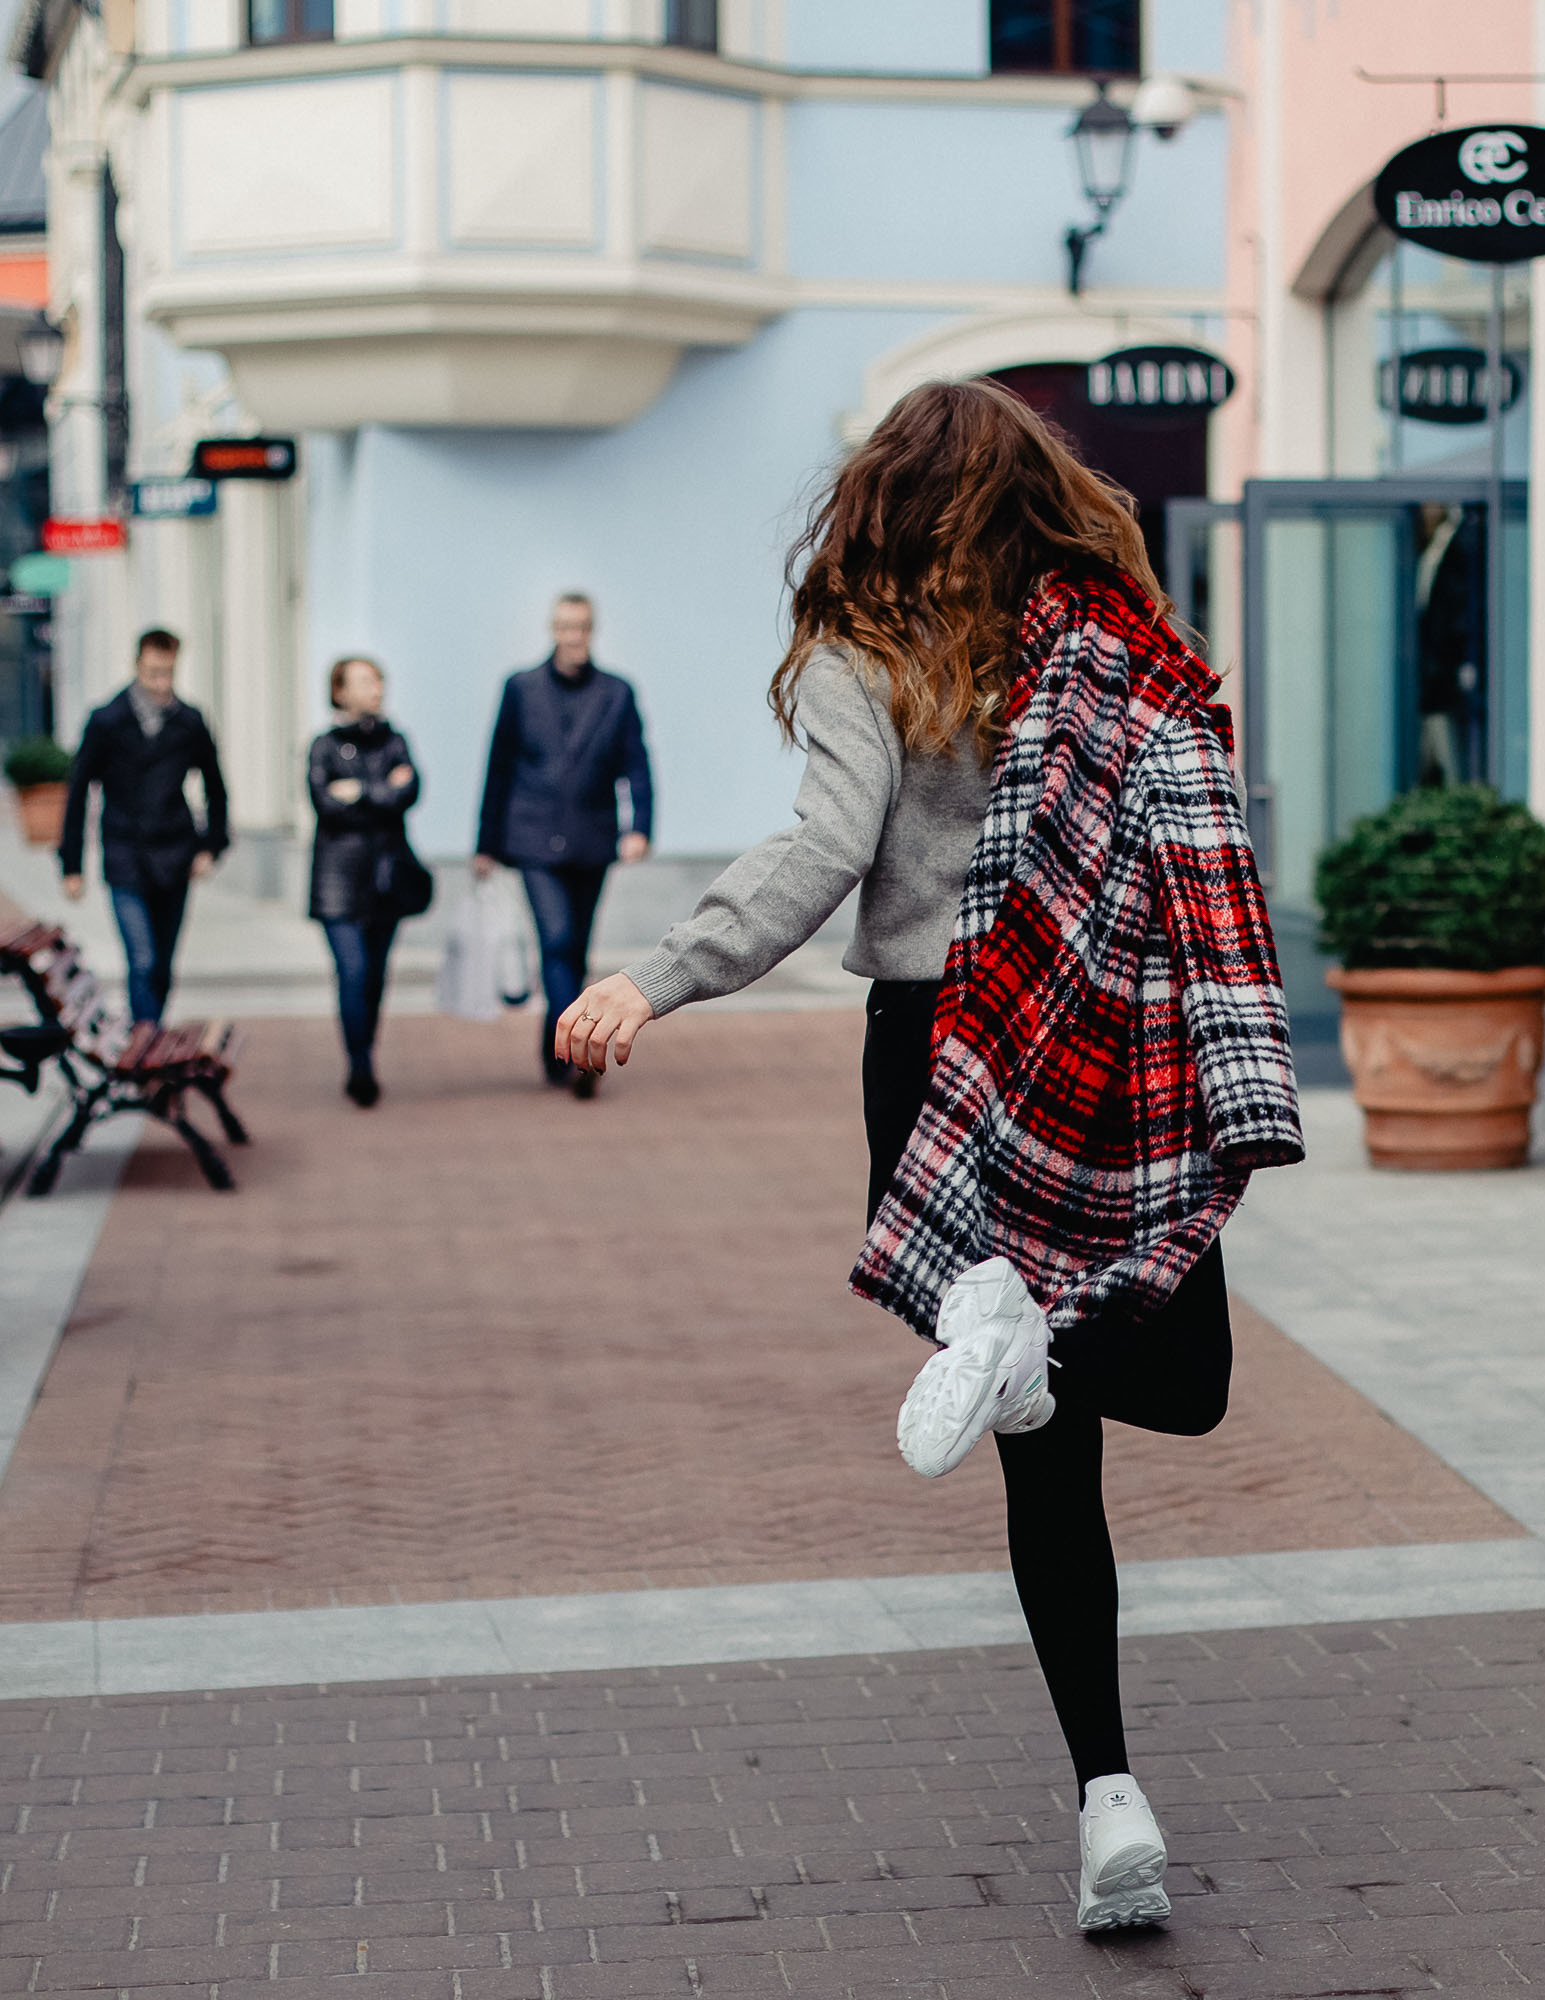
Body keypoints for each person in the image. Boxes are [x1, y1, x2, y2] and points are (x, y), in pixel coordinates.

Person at [553, 381, 1303, 1934]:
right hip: (1093, 1045)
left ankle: (1027, 1388)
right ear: (1039, 491)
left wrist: (658, 974)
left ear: (877, 501)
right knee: (1172, 1382)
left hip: (951, 1045)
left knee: (1074, 1425)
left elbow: (822, 852)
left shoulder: (870, 652)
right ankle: (1109, 1800)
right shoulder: (1113, 644)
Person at [473, 593, 652, 1097]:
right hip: (531, 840)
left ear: (592, 631)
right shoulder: (521, 688)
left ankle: (554, 1043)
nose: (573, 637)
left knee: (574, 947)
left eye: (581, 628)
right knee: (554, 940)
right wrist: (485, 844)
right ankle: (574, 1052)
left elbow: (636, 762)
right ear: (553, 630)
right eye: (564, 627)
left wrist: (639, 827)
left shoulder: (616, 693)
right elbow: (499, 766)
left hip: (592, 840)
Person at [59, 627, 228, 1026]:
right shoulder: (107, 721)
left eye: (168, 673)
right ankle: (147, 1049)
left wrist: (211, 846)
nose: (160, 683)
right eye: (153, 673)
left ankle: (149, 1043)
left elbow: (216, 787)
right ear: (138, 666)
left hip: (175, 853)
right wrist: (72, 865)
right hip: (125, 853)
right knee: (142, 957)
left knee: (163, 964)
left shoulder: (189, 721)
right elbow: (78, 791)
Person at [307, 656, 420, 1107]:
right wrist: (383, 790)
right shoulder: (324, 746)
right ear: (340, 692)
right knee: (352, 971)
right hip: (337, 881)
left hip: (386, 879)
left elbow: (409, 792)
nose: (376, 688)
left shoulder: (395, 740)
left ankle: (365, 1049)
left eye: (378, 679)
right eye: (364, 681)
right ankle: (359, 1064)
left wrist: (359, 792)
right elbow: (325, 803)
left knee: (374, 976)